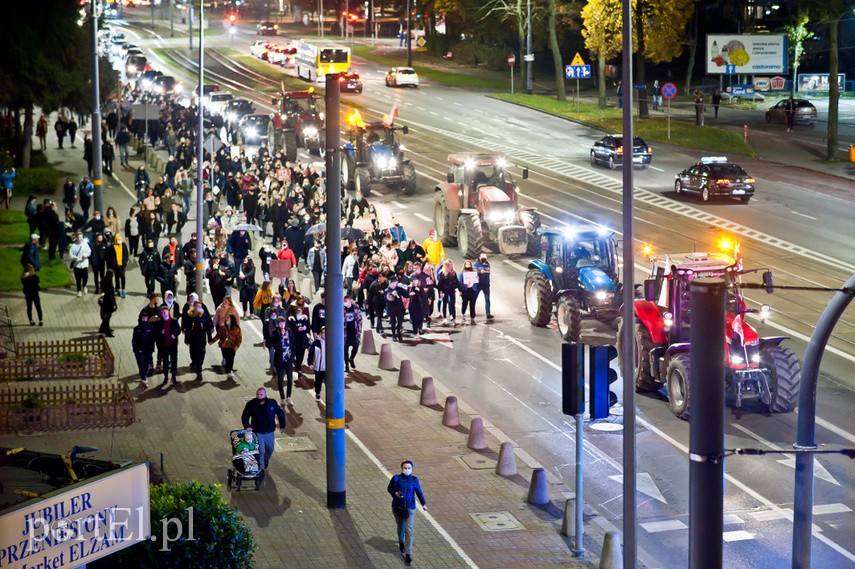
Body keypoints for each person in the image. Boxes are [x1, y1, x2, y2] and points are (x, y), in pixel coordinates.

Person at [387, 460, 427, 565]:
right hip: (398, 507)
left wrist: (423, 503)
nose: (407, 470)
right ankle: (401, 541)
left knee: (408, 529)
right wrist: (395, 493)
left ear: (412, 469)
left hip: (410, 507)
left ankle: (408, 554)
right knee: (400, 527)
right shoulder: (396, 478)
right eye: (405, 468)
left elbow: (419, 491)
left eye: (409, 468)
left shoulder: (414, 480)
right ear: (401, 468)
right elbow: (389, 489)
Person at [240, 388, 286, 471]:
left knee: (270, 449)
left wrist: (282, 425)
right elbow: (245, 415)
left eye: (261, 394)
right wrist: (247, 426)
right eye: (258, 394)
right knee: (260, 450)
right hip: (258, 432)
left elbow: (280, 413)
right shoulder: (251, 404)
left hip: (269, 432)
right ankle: (260, 470)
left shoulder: (272, 403)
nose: (259, 396)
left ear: (265, 395)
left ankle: (265, 459)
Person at [272, 317, 296, 406]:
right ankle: (282, 398)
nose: (282, 325)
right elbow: (275, 345)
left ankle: (288, 397)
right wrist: (280, 335)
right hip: (280, 359)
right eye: (281, 324)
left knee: (290, 379)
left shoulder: (289, 331)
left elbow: (292, 343)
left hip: (288, 358)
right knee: (280, 380)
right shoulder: (275, 333)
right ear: (278, 324)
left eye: (283, 323)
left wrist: (293, 354)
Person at [211, 313, 242, 380]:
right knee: (226, 357)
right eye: (226, 318)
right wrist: (212, 341)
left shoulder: (236, 328)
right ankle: (228, 368)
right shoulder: (222, 327)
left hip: (232, 346)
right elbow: (218, 335)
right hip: (224, 345)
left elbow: (239, 339)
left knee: (231, 359)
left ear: (232, 319)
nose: (226, 319)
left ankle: (229, 370)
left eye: (228, 318)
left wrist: (237, 346)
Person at [156, 305, 181, 386]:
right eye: (162, 313)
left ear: (168, 312)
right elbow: (157, 333)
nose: (164, 314)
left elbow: (178, 330)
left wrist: (174, 335)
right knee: (165, 362)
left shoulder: (173, 321)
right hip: (164, 346)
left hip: (172, 345)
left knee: (174, 361)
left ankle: (173, 377)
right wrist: (161, 333)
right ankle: (166, 377)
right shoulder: (160, 322)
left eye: (165, 312)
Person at [132, 314, 157, 388]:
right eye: (143, 318)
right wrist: (135, 350)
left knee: (146, 365)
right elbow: (134, 340)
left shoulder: (150, 328)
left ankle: (144, 378)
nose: (144, 319)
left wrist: (152, 349)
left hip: (148, 351)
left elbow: (152, 339)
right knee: (141, 365)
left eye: (146, 318)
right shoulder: (137, 329)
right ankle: (143, 379)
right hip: (139, 351)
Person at [69, 231, 91, 297]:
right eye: (79, 237)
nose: (80, 238)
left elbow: (89, 252)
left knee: (85, 277)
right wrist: (76, 258)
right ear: (76, 238)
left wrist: (85, 255)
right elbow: (71, 254)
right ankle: (79, 291)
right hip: (77, 265)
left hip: (84, 264)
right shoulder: (73, 246)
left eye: (81, 237)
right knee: (78, 279)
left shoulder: (85, 244)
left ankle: (84, 286)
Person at [437, 259, 459, 326]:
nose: (451, 266)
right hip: (444, 291)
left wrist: (457, 287)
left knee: (452, 304)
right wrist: (440, 292)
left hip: (452, 290)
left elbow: (456, 282)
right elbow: (440, 284)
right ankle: (444, 318)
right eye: (449, 265)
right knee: (445, 304)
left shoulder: (454, 272)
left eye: (451, 264)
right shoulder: (442, 273)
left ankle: (454, 318)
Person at [343, 294, 362, 372]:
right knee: (345, 350)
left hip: (354, 332)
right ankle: (346, 366)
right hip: (345, 333)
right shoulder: (342, 309)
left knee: (356, 347)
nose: (345, 303)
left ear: (350, 300)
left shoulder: (356, 309)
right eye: (344, 301)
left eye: (346, 301)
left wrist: (359, 331)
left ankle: (351, 358)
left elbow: (360, 320)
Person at [107, 234, 129, 298]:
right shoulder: (112, 247)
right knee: (117, 277)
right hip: (115, 265)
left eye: (120, 239)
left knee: (123, 276)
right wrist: (113, 263)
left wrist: (125, 262)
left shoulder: (123, 245)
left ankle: (123, 289)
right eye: (118, 239)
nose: (120, 240)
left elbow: (126, 254)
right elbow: (110, 257)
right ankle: (118, 288)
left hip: (122, 265)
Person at [308, 326, 326, 401]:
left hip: (328, 367)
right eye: (323, 332)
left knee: (328, 383)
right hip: (319, 366)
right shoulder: (316, 342)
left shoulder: (331, 342)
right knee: (318, 381)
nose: (325, 334)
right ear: (320, 333)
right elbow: (311, 353)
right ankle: (317, 392)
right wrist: (310, 363)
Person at [385, 276, 405, 342]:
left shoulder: (398, 289)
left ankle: (398, 332)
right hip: (392, 308)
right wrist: (391, 295)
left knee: (400, 321)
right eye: (394, 283)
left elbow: (406, 294)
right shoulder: (387, 290)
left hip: (399, 307)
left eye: (396, 283)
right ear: (391, 283)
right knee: (393, 322)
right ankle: (394, 335)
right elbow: (386, 300)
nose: (396, 285)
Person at [473, 255, 493, 319]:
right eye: (483, 258)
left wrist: (484, 269)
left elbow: (488, 271)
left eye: (485, 258)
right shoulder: (476, 264)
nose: (484, 259)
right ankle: (472, 312)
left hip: (486, 285)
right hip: (478, 284)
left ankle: (488, 313)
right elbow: (474, 272)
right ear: (480, 257)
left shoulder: (487, 264)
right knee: (474, 299)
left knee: (487, 299)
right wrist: (480, 272)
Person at [99, 269, 117, 337]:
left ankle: (102, 329)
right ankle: (106, 331)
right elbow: (110, 295)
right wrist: (113, 304)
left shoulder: (104, 280)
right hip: (108, 303)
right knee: (107, 317)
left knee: (106, 317)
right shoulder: (108, 282)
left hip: (105, 302)